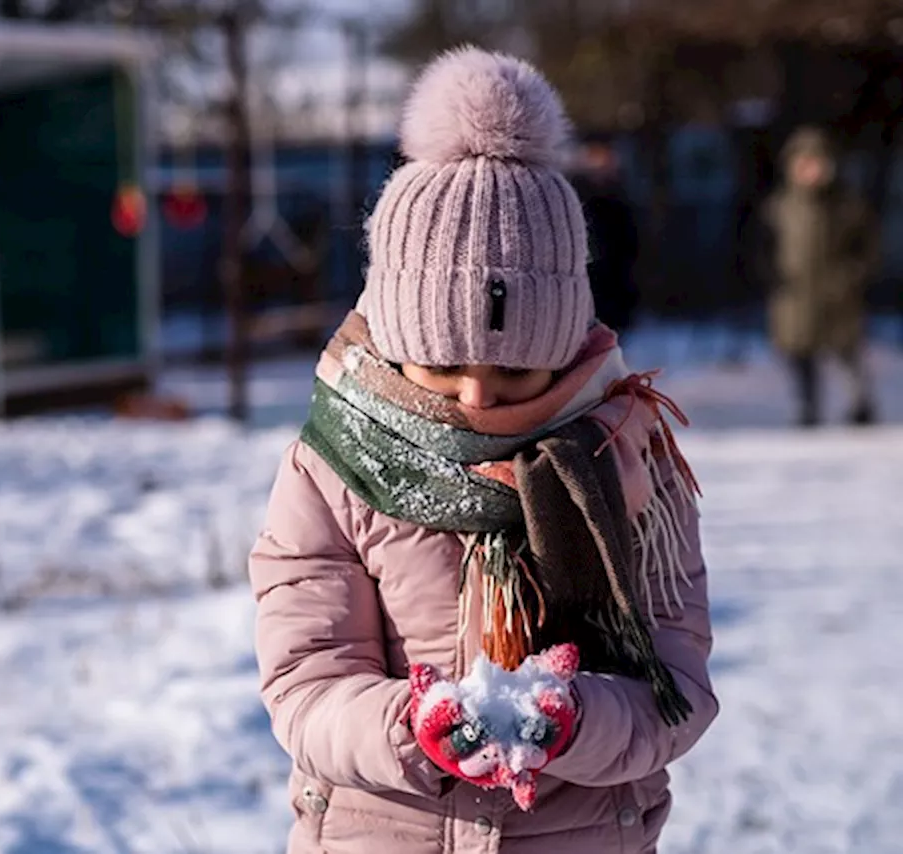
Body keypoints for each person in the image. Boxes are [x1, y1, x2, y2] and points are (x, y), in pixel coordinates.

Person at [249, 48, 718, 853]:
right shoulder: (332, 468)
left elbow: (674, 690)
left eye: (512, 368)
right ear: (395, 344)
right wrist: (408, 727)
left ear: (565, 341)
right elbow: (306, 683)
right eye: (441, 364)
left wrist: (576, 721)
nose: (474, 395)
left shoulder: (630, 458)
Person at [759, 126, 879, 426]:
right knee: (800, 356)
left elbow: (868, 245)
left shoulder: (846, 204)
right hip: (795, 295)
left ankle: (860, 405)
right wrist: (773, 275)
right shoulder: (779, 207)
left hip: (837, 291)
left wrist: (853, 273)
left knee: (847, 353)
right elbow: (760, 246)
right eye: (804, 163)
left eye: (817, 163)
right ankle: (807, 409)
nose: (811, 171)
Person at [572, 136, 641, 334]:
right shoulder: (576, 193)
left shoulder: (619, 196)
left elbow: (630, 244)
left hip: (615, 284)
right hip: (587, 284)